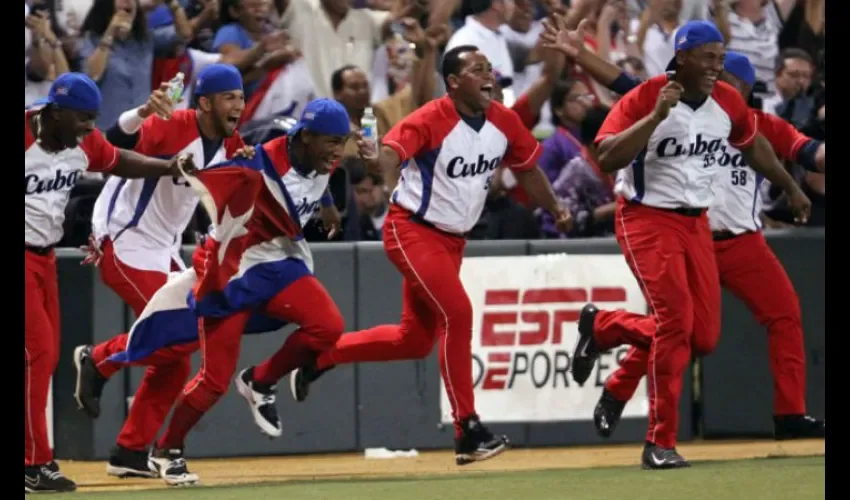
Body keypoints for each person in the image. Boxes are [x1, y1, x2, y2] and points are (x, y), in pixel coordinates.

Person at [280, 45, 573, 466]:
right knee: (458, 314)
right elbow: (389, 156)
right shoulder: (431, 118)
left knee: (414, 340)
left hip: (453, 240)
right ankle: (467, 429)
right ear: (453, 83)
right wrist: (372, 155)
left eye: (488, 68)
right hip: (412, 230)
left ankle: (321, 358)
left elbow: (528, 168)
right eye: (477, 69)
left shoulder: (503, 121)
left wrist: (556, 207)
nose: (488, 74)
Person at [540, 18, 811, 469]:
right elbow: (607, 157)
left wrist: (790, 185)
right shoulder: (647, 95)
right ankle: (658, 442)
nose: (715, 68)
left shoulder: (726, 101)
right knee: (675, 325)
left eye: (720, 61)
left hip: (695, 223)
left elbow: (752, 144)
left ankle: (605, 326)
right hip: (646, 218)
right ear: (682, 57)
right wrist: (654, 119)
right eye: (708, 59)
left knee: (701, 337)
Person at [130, 98, 351, 486]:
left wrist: (329, 204)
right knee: (214, 378)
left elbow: (323, 176)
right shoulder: (261, 157)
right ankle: (167, 450)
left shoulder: (323, 157)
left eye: (342, 142)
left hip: (281, 262)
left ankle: (260, 381)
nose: (337, 151)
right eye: (331, 142)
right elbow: (213, 183)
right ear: (307, 136)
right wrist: (210, 237)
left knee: (328, 326)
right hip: (236, 267)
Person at [72, 63, 248, 479]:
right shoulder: (174, 124)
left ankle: (129, 452)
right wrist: (141, 113)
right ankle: (100, 360)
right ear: (204, 103)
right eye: (229, 97)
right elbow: (111, 145)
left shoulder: (230, 140)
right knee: (181, 333)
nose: (238, 105)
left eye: (241, 97)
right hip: (124, 238)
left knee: (178, 355)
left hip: (164, 247)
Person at [25, 72, 196, 493]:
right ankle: (34, 463)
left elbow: (120, 159)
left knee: (45, 355)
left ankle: (38, 460)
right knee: (40, 353)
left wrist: (168, 166)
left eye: (92, 119)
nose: (88, 128)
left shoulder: (81, 142)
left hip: (45, 257)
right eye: (82, 119)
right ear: (54, 112)